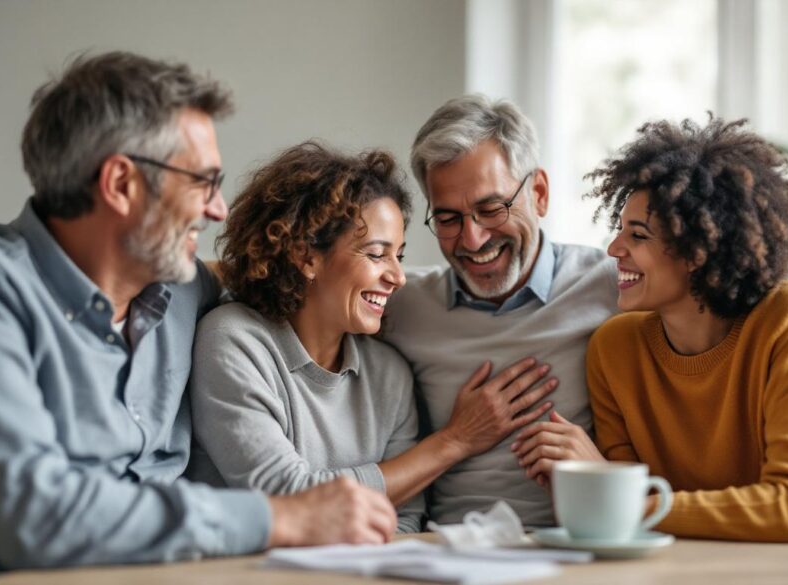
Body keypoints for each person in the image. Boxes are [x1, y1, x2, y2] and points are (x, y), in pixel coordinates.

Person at [0, 52, 395, 581]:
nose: (217, 209)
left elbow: (284, 271)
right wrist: (279, 516)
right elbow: (34, 517)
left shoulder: (183, 287)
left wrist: (394, 277)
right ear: (121, 183)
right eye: (203, 182)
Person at [381, 95, 788, 527]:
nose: (472, 238)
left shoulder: (613, 286)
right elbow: (326, 312)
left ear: (540, 194)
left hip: (591, 543)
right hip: (458, 544)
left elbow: (750, 284)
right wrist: (457, 438)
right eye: (447, 217)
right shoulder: (399, 303)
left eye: (492, 209)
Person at [513, 117, 788, 545]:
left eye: (638, 235)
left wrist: (614, 497)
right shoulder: (614, 348)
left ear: (697, 251)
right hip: (687, 561)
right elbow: (641, 514)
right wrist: (607, 486)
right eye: (619, 229)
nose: (613, 249)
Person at [189, 142, 557, 533]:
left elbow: (406, 520)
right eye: (377, 254)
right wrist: (454, 441)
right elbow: (288, 496)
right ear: (306, 257)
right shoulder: (233, 342)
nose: (398, 277)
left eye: (399, 255)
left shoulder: (388, 373)